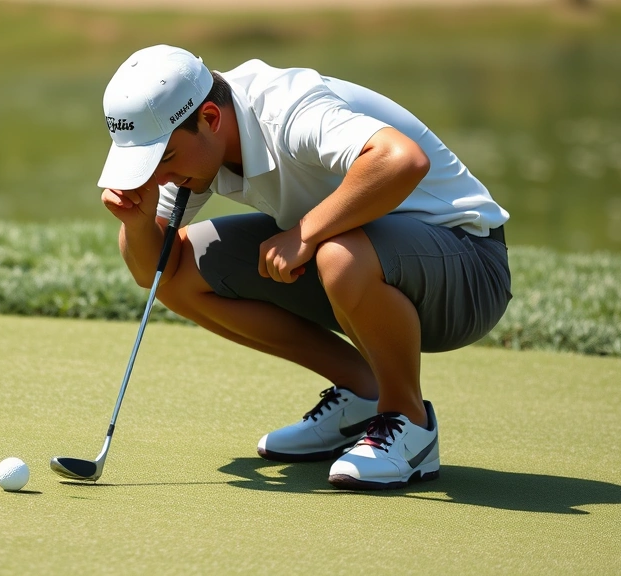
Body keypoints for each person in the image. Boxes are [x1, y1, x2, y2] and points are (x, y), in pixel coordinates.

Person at [96, 45, 511, 490]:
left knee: (338, 253)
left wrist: (305, 234)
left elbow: (401, 159)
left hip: (468, 267)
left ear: (211, 119)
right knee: (180, 276)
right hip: (367, 261)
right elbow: (153, 271)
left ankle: (408, 421)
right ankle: (361, 394)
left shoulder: (289, 111)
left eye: (165, 159)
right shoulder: (196, 144)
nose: (158, 177)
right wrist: (138, 225)